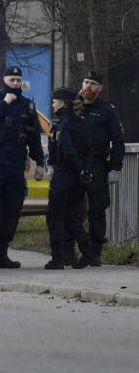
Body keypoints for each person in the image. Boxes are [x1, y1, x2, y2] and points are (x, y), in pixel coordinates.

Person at [0, 66, 45, 268]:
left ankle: (1, 256)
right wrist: (4, 104)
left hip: (14, 166)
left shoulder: (27, 106)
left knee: (11, 213)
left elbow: (34, 138)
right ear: (4, 80)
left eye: (18, 80)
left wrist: (39, 163)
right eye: (12, 80)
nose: (15, 84)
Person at [78, 69, 125, 265]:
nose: (88, 86)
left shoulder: (106, 110)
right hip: (75, 164)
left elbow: (118, 141)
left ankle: (94, 253)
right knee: (71, 209)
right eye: (86, 82)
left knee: (97, 209)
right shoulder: (73, 107)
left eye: (92, 83)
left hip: (97, 165)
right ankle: (68, 251)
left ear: (100, 88)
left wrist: (115, 168)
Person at [44, 87, 94, 269]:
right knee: (70, 217)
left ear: (62, 103)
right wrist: (85, 171)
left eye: (54, 101)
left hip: (64, 175)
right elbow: (88, 150)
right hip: (77, 178)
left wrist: (78, 169)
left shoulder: (63, 123)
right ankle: (89, 253)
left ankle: (57, 259)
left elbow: (68, 150)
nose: (53, 104)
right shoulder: (80, 122)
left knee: (54, 217)